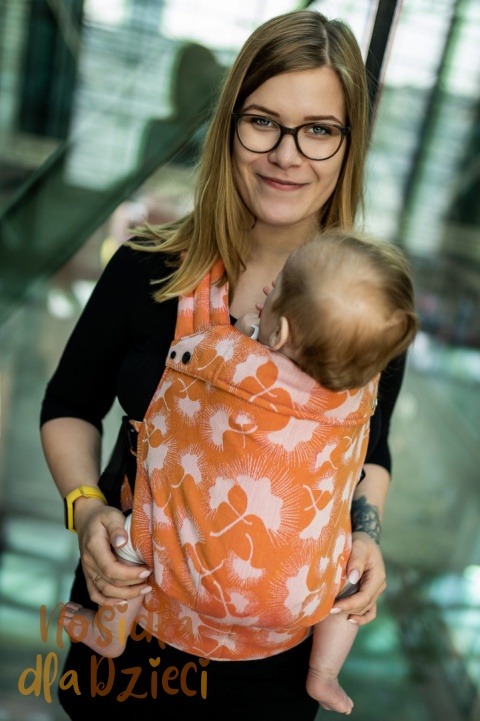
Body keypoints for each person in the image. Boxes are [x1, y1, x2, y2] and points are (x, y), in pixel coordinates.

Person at [40, 9, 412, 720]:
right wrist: (86, 513)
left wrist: (365, 533)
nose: (287, 155)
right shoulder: (147, 268)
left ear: (349, 144)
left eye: (319, 130)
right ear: (229, 125)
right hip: (127, 631)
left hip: (273, 668)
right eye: (263, 122)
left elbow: (372, 447)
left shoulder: (363, 302)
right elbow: (69, 406)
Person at [60, 229, 418, 717]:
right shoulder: (359, 388)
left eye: (279, 286)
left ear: (281, 333)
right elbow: (372, 449)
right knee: (345, 590)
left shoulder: (224, 353)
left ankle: (109, 632)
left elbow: (204, 354)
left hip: (175, 569)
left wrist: (251, 331)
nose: (268, 288)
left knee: (129, 540)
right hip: (295, 595)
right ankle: (325, 673)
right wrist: (364, 537)